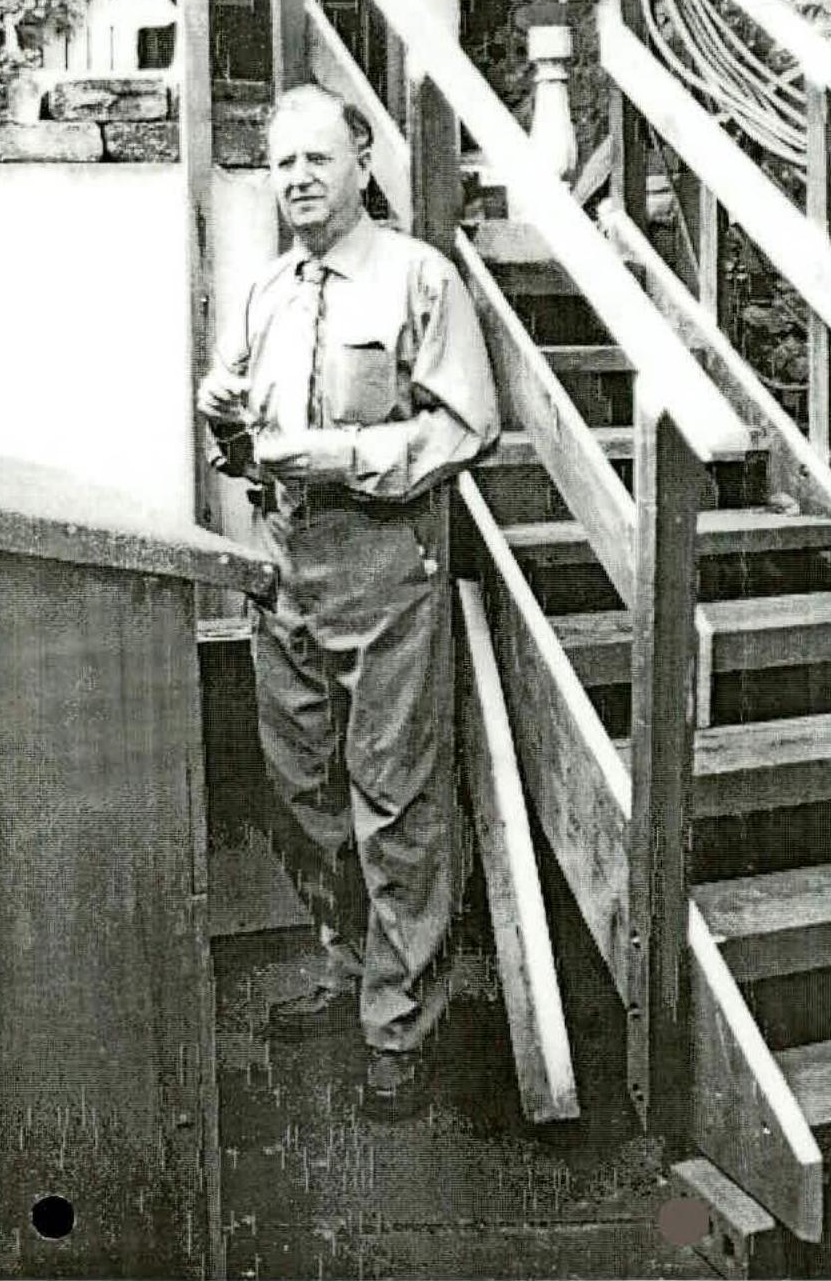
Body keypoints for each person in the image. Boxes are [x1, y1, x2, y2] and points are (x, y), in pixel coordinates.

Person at [197, 84, 501, 1120]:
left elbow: (467, 426)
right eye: (282, 164)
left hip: (385, 564)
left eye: (317, 159)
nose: (297, 180)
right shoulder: (266, 293)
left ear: (361, 163)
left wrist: (334, 454)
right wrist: (222, 415)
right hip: (284, 565)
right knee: (299, 789)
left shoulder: (420, 276)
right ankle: (344, 966)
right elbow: (245, 445)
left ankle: (398, 1021)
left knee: (394, 799)